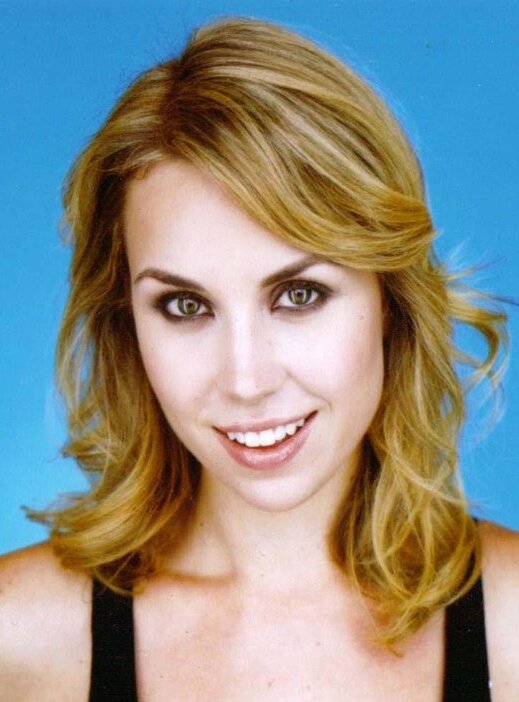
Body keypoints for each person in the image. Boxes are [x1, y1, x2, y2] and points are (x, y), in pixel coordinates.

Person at [1, 16, 518, 701]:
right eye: (185, 306)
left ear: (391, 301)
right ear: (127, 325)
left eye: (299, 295)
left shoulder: (511, 625)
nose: (246, 381)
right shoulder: (19, 637)